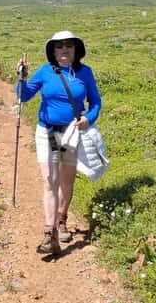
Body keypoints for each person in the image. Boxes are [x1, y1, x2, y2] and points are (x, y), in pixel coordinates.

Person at [16, 30, 101, 255]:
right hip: (48, 132)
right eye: (59, 46)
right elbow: (24, 96)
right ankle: (49, 233)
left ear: (76, 50)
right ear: (52, 51)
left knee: (66, 182)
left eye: (68, 46)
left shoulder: (85, 73)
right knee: (49, 181)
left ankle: (62, 218)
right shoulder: (45, 72)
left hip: (72, 133)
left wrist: (88, 118)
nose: (64, 50)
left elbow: (95, 103)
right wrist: (21, 78)